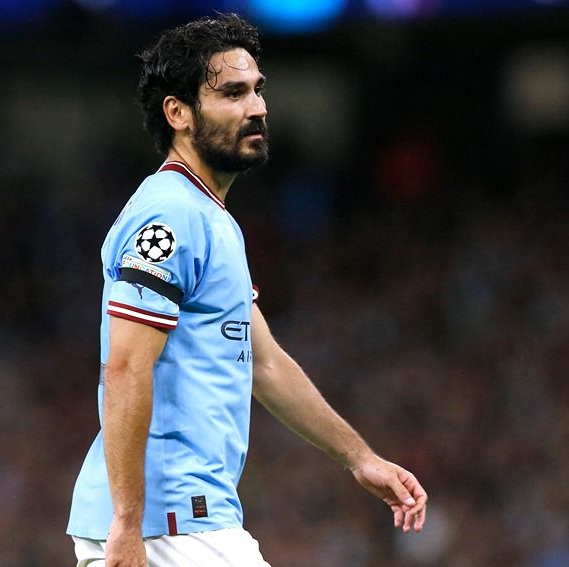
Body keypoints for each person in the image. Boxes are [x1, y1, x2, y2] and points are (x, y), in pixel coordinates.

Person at [67, 13, 428, 567]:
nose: (257, 108)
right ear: (178, 113)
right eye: (233, 93)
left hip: (186, 520)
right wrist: (127, 520)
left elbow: (264, 363)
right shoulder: (168, 215)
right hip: (169, 522)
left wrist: (360, 459)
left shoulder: (213, 220)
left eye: (258, 91)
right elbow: (125, 368)